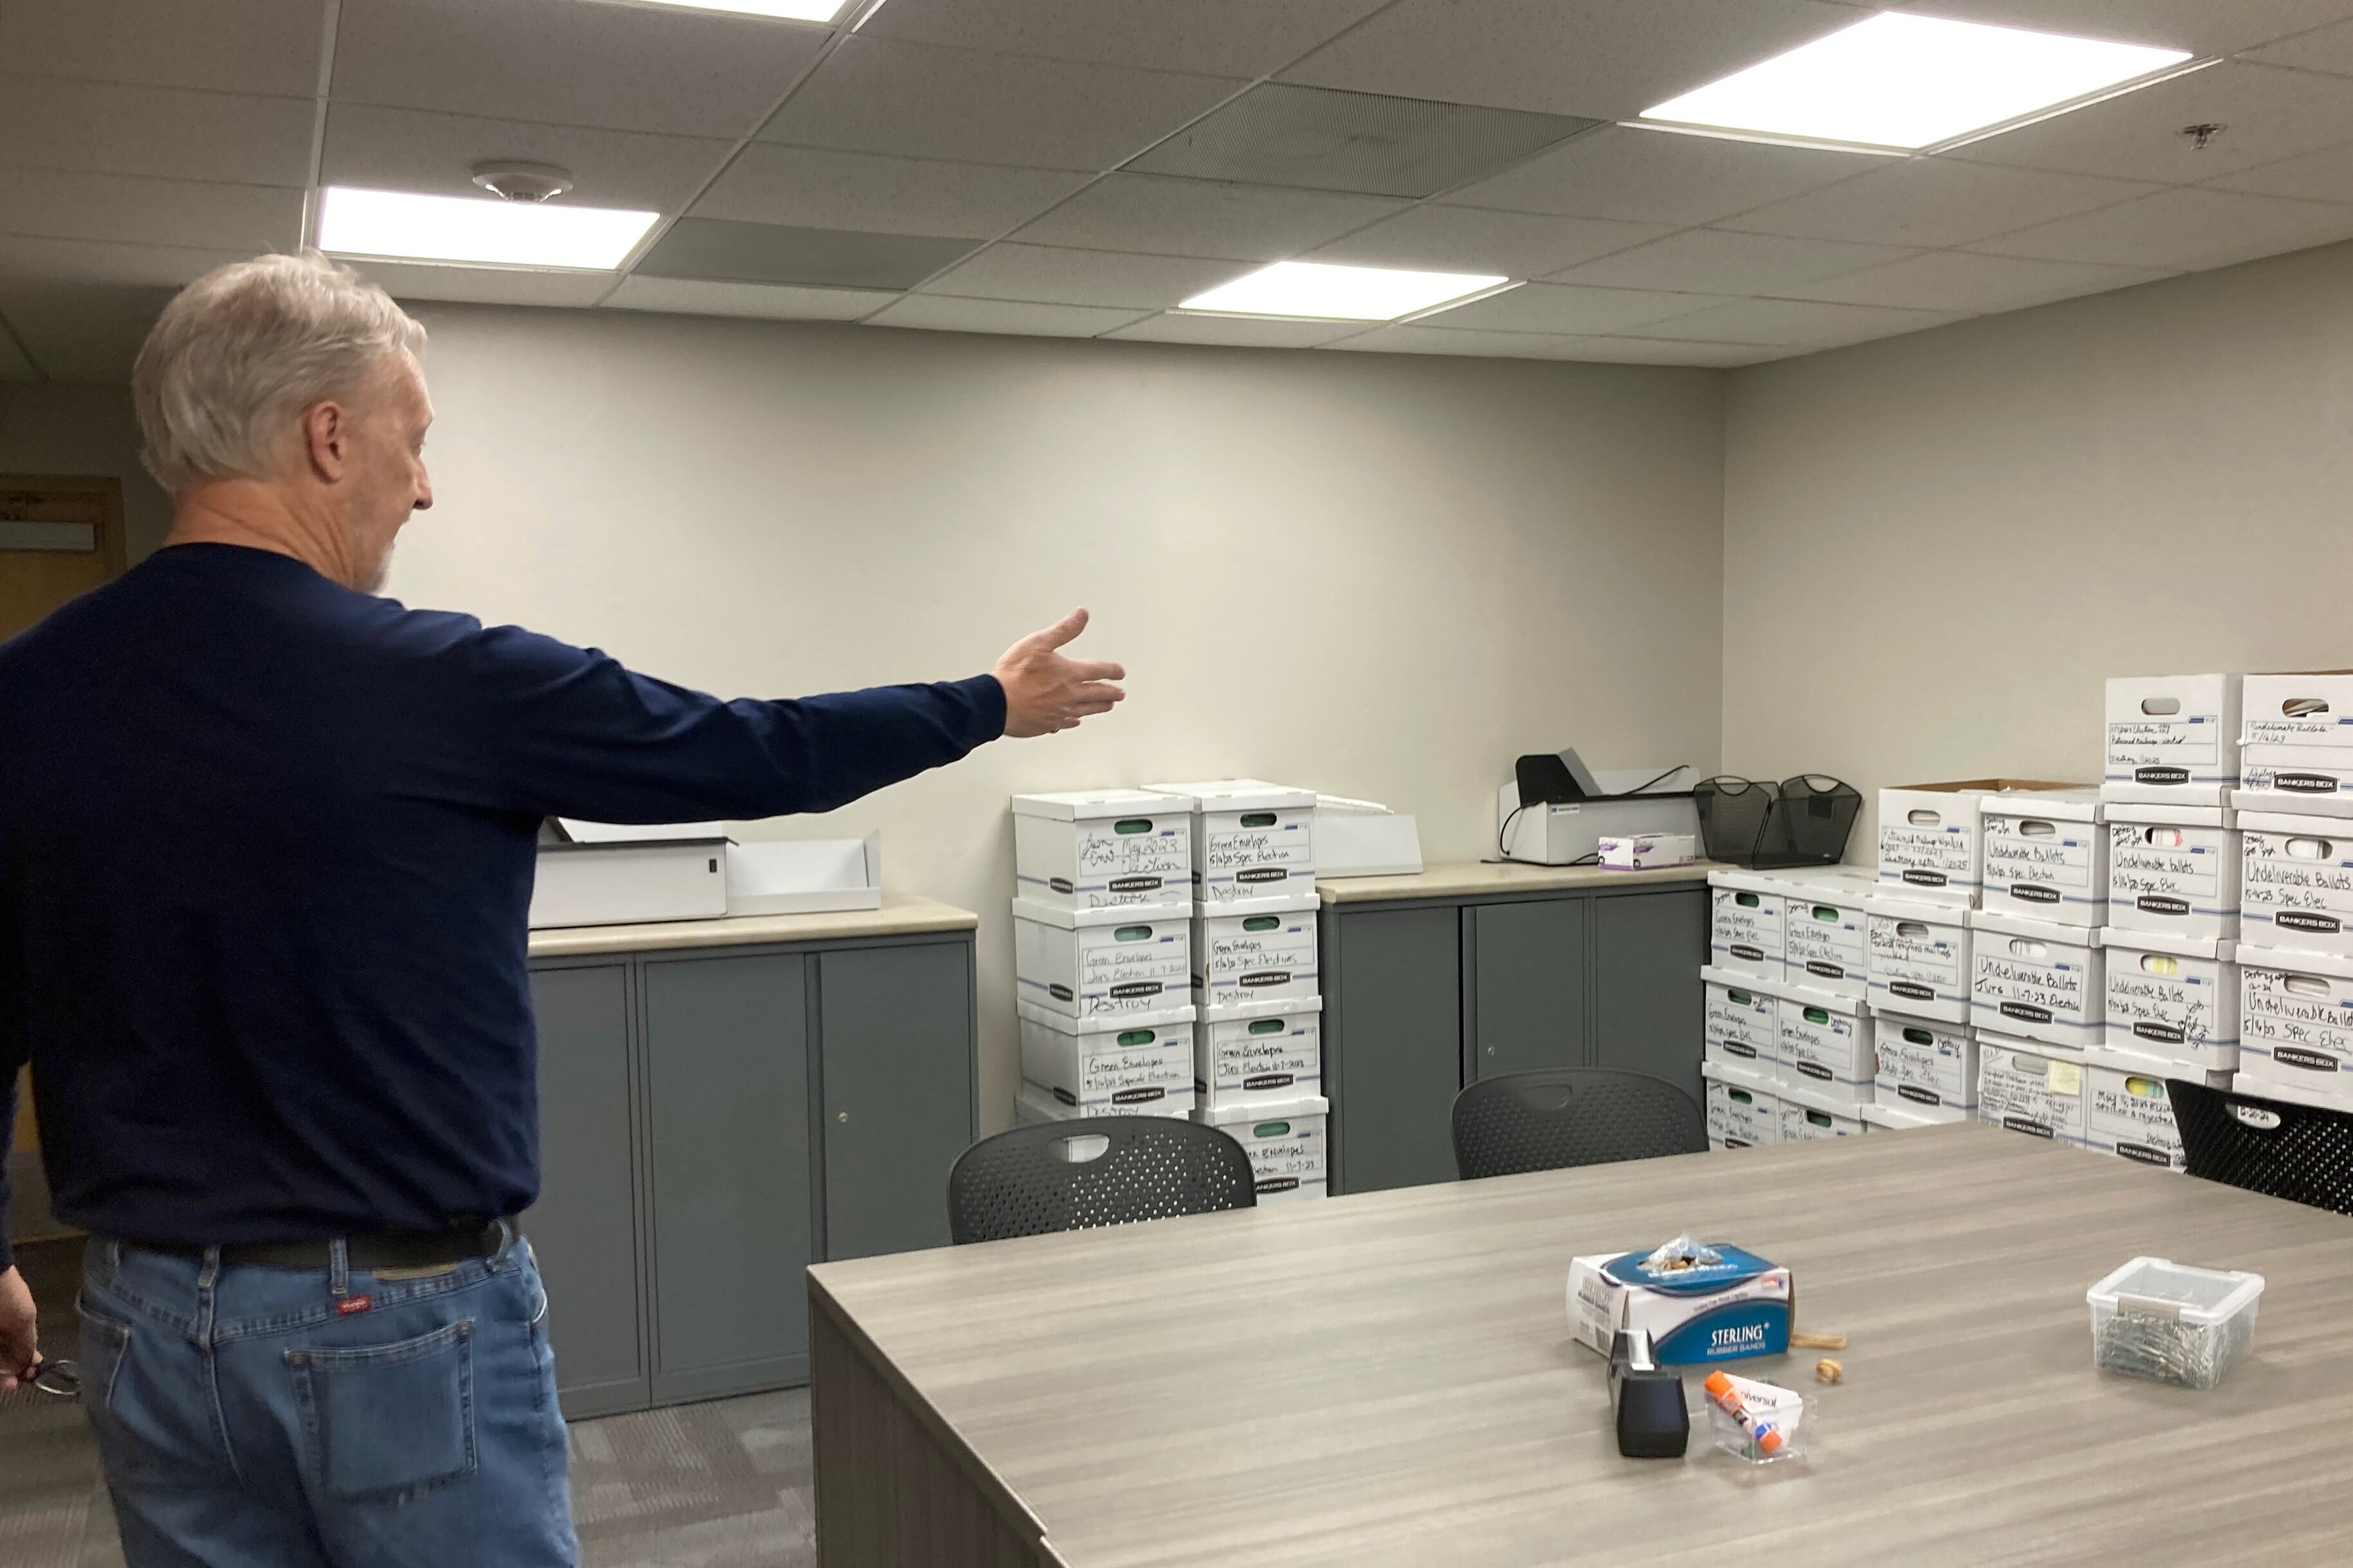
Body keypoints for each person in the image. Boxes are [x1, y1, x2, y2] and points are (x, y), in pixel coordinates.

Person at [0, 250, 1124, 1566]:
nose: (424, 486)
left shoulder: (28, 691)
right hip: (395, 1314)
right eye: (412, 444)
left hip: (140, 1319)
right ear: (327, 436)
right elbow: (748, 750)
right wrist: (986, 703)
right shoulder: (443, 683)